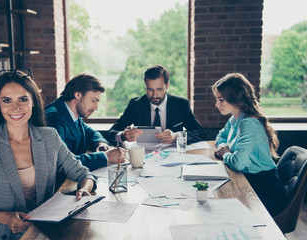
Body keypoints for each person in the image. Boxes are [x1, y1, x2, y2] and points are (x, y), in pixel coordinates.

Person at [0, 69, 96, 240]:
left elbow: (84, 174)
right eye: (7, 101)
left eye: (23, 99)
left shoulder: (49, 137)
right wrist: (6, 218)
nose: (15, 108)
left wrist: (84, 190)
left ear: (33, 102)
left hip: (40, 233)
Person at [212, 72, 287, 216]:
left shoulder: (248, 124)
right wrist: (223, 146)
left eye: (221, 100)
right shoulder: (235, 118)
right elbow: (221, 136)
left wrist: (225, 153)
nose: (216, 104)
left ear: (235, 99)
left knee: (220, 208)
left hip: (265, 190)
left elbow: (238, 163)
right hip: (248, 181)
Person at [105, 64, 206, 145]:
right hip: (144, 158)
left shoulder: (181, 105)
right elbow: (110, 133)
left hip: (173, 157)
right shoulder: (135, 105)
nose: (154, 95)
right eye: (150, 90)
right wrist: (123, 135)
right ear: (145, 86)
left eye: (159, 89)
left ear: (167, 85)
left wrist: (176, 137)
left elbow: (200, 133)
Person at [45, 73, 125, 171]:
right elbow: (63, 161)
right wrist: (106, 157)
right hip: (61, 183)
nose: (96, 108)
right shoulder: (54, 118)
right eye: (93, 100)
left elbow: (92, 133)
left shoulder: (70, 112)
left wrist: (101, 144)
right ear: (78, 94)